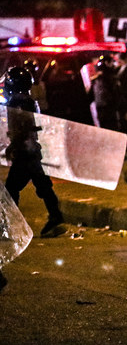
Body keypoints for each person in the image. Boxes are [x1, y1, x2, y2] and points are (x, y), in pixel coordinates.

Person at [3, 67, 65, 238]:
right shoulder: (30, 100)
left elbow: (21, 127)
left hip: (24, 151)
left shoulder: (16, 102)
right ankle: (55, 216)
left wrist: (12, 146)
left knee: (10, 190)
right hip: (32, 150)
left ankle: (11, 226)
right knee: (43, 185)